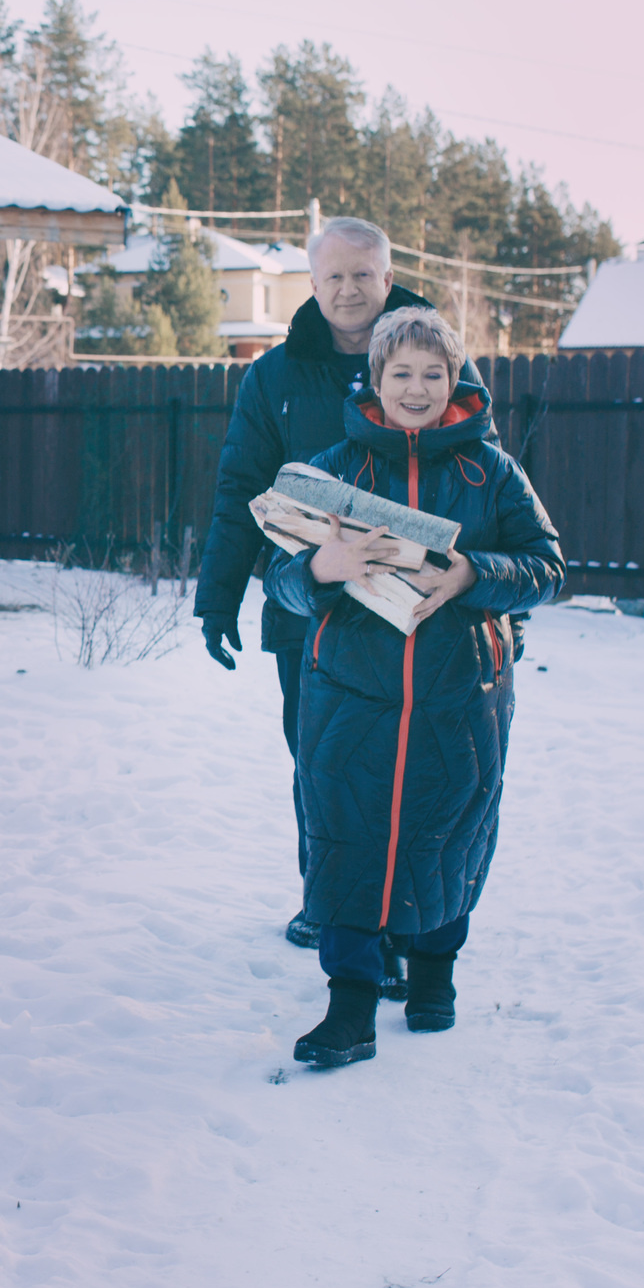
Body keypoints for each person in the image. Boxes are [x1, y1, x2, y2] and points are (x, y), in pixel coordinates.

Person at [264, 306, 563, 1068]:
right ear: (375, 378)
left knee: (447, 829)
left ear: (456, 379)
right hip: (348, 695)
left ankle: (434, 972)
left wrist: (471, 573)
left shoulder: (491, 471)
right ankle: (350, 1005)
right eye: (401, 372)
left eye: (434, 373)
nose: (417, 388)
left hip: (459, 693)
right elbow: (281, 582)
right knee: (346, 835)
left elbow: (548, 567)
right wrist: (321, 568)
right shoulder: (335, 469)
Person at [192, 217, 473, 954]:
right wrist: (218, 599)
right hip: (312, 613)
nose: (349, 290)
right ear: (312, 285)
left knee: (415, 771)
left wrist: (490, 602)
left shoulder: (438, 361)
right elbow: (241, 489)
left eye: (363, 274)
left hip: (419, 615)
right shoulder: (275, 377)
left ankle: (408, 917)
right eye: (334, 277)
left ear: (389, 277)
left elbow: (483, 492)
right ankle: (330, 904)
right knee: (324, 767)